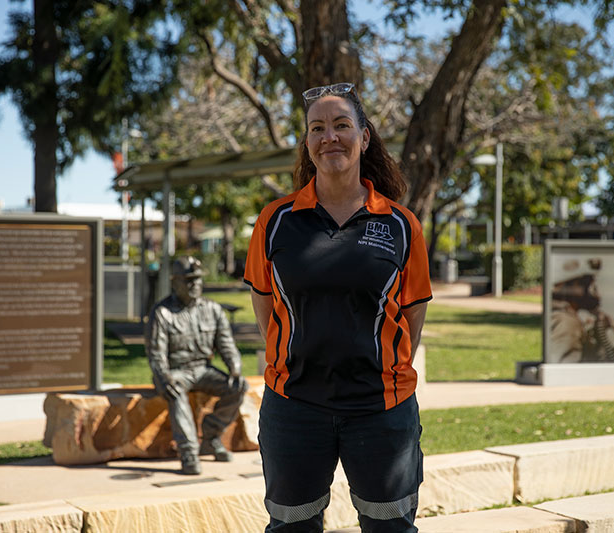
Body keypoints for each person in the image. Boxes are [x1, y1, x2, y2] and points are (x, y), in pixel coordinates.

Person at [244, 82, 432, 532]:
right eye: (317, 128)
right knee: (291, 526)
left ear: (364, 138)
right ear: (308, 143)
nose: (330, 137)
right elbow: (266, 308)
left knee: (390, 526)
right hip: (294, 407)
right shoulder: (275, 221)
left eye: (342, 125)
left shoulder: (401, 225)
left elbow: (412, 316)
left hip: (381, 409)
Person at [145, 256, 249, 475]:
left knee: (238, 386)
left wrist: (235, 367)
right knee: (175, 391)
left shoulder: (212, 309)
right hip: (175, 371)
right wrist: (163, 376)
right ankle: (189, 453)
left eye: (197, 279)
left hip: (203, 369)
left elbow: (226, 344)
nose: (194, 284)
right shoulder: (162, 312)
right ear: (175, 282)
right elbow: (156, 353)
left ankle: (211, 437)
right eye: (188, 280)